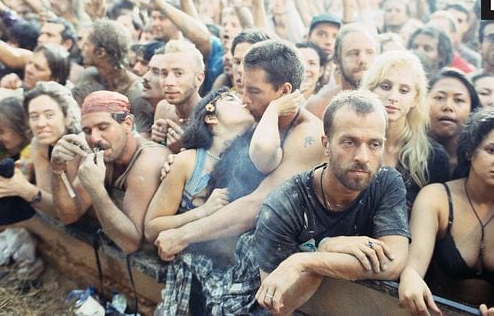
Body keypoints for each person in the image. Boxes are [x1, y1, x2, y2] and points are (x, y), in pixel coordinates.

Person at [152, 40, 326, 314]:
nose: (245, 99)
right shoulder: (257, 119)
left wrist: (182, 234)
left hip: (276, 274)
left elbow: (259, 203)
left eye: (254, 91)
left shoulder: (310, 135)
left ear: (284, 92)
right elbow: (212, 153)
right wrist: (174, 157)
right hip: (224, 257)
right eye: (242, 88)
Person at [254, 90, 410, 315]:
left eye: (374, 144)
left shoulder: (387, 182)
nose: (363, 157)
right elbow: (279, 305)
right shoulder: (285, 203)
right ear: (326, 144)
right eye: (349, 142)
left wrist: (311, 258)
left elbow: (393, 263)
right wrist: (324, 253)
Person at [399, 107, 494, 314]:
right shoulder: (436, 198)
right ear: (469, 151)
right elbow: (413, 266)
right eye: (492, 150)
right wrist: (410, 278)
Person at [49, 90, 169, 252]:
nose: (95, 138)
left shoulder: (149, 160)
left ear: (127, 124)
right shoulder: (101, 153)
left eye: (103, 127)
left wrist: (96, 190)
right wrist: (57, 170)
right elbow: (68, 216)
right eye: (87, 131)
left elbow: (130, 244)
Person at [145, 87, 255, 244]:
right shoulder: (188, 162)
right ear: (211, 121)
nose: (243, 102)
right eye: (231, 99)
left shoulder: (257, 159)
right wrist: (202, 212)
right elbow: (151, 229)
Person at [0, 81, 81, 218]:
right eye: (34, 117)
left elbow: (71, 214)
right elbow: (52, 204)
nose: (41, 124)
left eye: (49, 115)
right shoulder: (40, 144)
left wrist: (26, 190)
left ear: (67, 117)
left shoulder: (79, 146)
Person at [361, 51, 450, 210]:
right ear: (370, 90)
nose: (393, 97)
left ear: (415, 99)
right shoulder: (350, 145)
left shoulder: (434, 157)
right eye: (385, 86)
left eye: (404, 90)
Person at [76, 20, 153, 136]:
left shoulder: (137, 92)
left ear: (100, 53)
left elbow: (143, 138)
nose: (81, 48)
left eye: (86, 44)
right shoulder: (88, 77)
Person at [306, 23, 379, 119]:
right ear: (337, 59)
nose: (362, 60)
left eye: (369, 52)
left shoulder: (390, 103)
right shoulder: (319, 107)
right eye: (353, 53)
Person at [151, 39, 205, 153]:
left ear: (199, 79)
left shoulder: (209, 117)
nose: (168, 82)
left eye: (178, 73)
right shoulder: (163, 109)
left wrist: (184, 148)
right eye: (164, 74)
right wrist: (155, 141)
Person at [428, 68, 481, 173]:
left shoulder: (479, 162)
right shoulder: (402, 154)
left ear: (472, 109)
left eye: (459, 100)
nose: (448, 107)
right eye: (439, 97)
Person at [0, 96, 32, 173]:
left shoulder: (32, 150)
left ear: (20, 127)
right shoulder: (1, 147)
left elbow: (0, 183)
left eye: (1, 132)